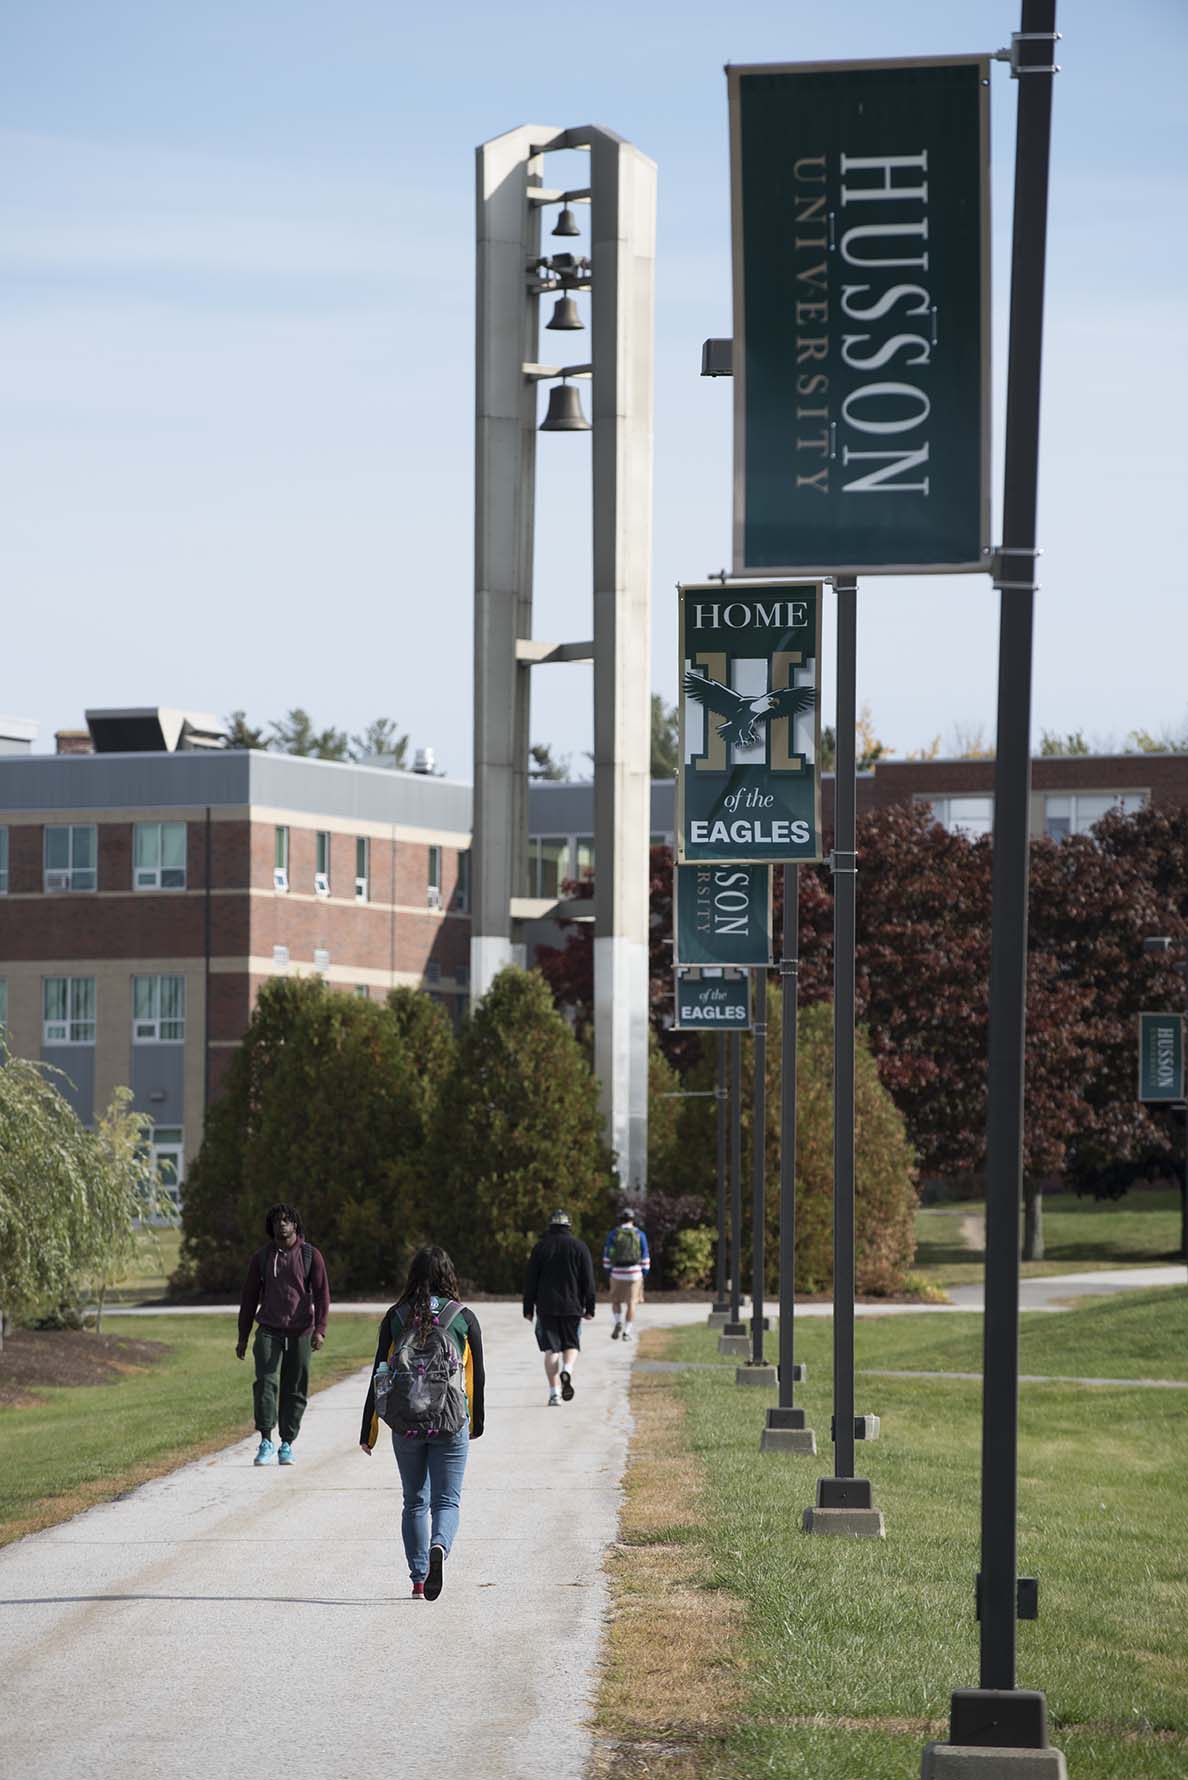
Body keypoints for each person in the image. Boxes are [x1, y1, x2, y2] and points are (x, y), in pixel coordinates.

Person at [359, 1246, 484, 1601]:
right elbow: (477, 1377)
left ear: (412, 1276)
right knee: (446, 1501)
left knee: (414, 1501)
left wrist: (369, 1429)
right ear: (449, 1275)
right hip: (450, 1421)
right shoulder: (462, 1317)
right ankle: (439, 1549)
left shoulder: (396, 1317)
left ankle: (418, 1578)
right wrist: (475, 1423)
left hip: (406, 1424)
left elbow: (379, 1373)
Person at [236, 1202, 331, 1466]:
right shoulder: (262, 1258)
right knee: (266, 1382)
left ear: (295, 1225)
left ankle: (287, 1443)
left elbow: (322, 1296)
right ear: (271, 1226)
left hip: (301, 1330)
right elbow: (249, 1298)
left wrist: (320, 1330)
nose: (282, 1224)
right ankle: (266, 1440)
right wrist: (243, 1336)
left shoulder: (311, 1255)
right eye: (277, 1220)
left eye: (287, 1220)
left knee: (295, 1388)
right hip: (268, 1329)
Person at [523, 1209, 596, 1406]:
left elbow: (531, 1279)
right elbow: (588, 1280)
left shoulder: (541, 1247)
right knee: (572, 1345)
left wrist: (528, 1307)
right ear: (569, 1226)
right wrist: (590, 1306)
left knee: (551, 1350)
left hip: (546, 1306)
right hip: (573, 1306)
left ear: (551, 1226)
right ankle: (568, 1370)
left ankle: (554, 1393)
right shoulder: (580, 1247)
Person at [603, 1206, 650, 1342]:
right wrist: (643, 1273)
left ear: (620, 1219)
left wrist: (609, 1271)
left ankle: (618, 1321)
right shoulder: (640, 1234)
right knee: (632, 1303)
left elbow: (607, 1256)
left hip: (617, 1273)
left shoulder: (613, 1234)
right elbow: (645, 1257)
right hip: (634, 1274)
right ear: (632, 1219)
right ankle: (627, 1332)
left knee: (616, 1301)